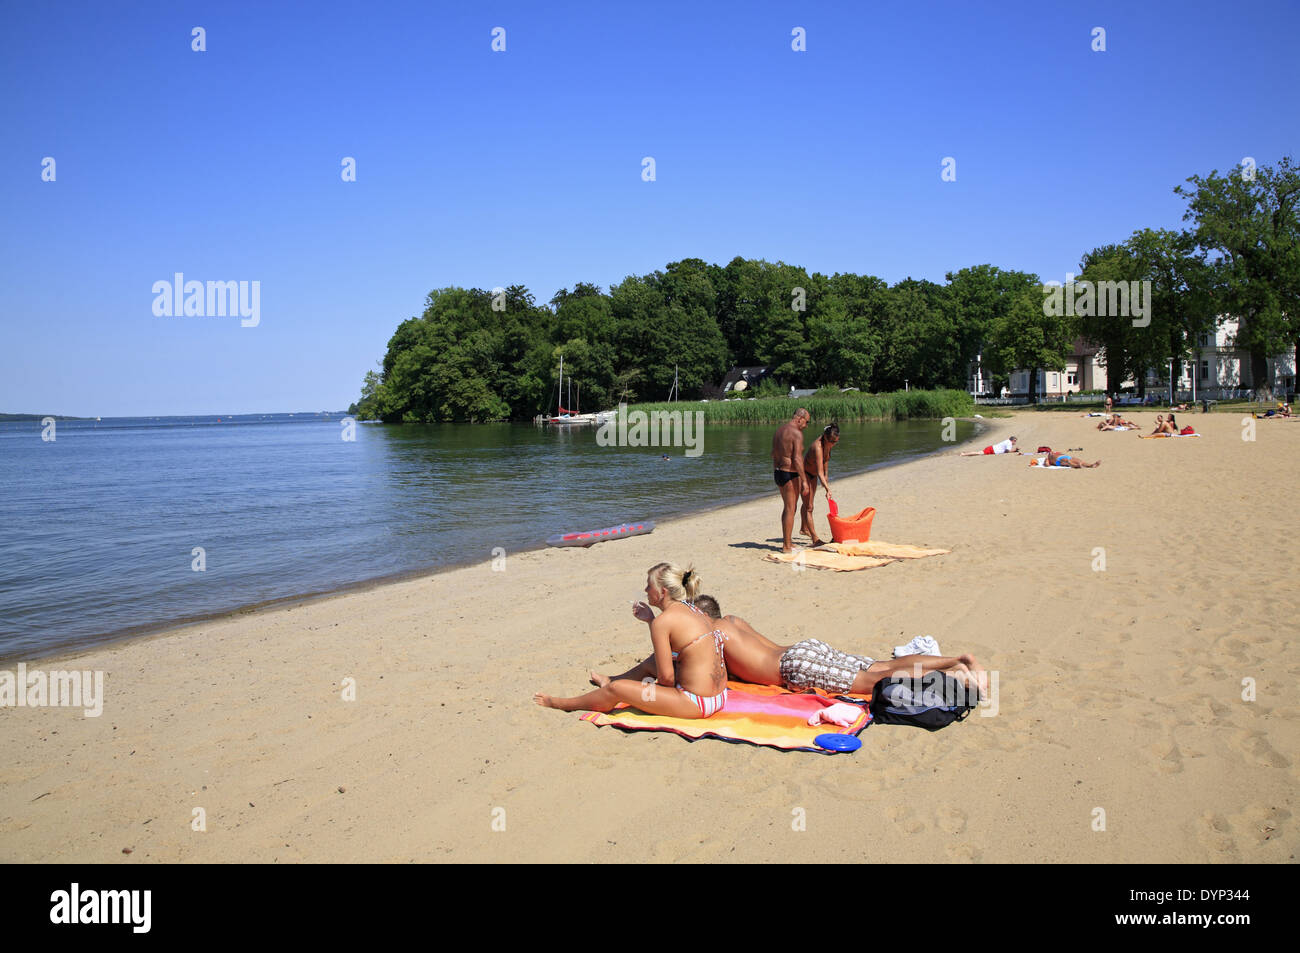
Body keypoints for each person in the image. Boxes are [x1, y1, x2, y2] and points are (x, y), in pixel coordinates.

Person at [596, 595, 985, 699]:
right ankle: (953, 664)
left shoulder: (712, 635)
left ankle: (960, 665)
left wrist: (654, 625)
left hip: (794, 668)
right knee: (880, 664)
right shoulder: (733, 622)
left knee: (872, 681)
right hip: (802, 648)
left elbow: (688, 669)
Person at [534, 563, 728, 718]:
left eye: (649, 586)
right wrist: (650, 620)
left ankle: (562, 704)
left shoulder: (663, 622)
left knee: (618, 690)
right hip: (719, 696)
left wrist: (646, 691)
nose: (645, 589)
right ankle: (609, 680)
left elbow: (667, 679)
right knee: (652, 662)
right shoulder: (692, 609)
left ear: (662, 592)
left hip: (696, 703)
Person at [771, 408, 811, 552]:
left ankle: (788, 542)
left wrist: (778, 469)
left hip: (778, 472)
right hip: (789, 474)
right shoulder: (797, 433)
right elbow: (797, 459)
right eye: (806, 422)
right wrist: (804, 480)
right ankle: (787, 545)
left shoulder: (779, 431)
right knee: (790, 508)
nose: (806, 426)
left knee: (789, 508)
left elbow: (773, 454)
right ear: (799, 418)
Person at [800, 422, 839, 546]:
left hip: (813, 475)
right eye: (832, 442)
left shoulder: (828, 444)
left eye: (836, 442)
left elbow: (826, 461)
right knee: (809, 507)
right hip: (804, 474)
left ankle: (804, 528)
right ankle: (815, 539)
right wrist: (828, 489)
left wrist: (826, 478)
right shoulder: (817, 447)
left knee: (807, 503)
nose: (834, 444)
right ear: (826, 438)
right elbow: (819, 472)